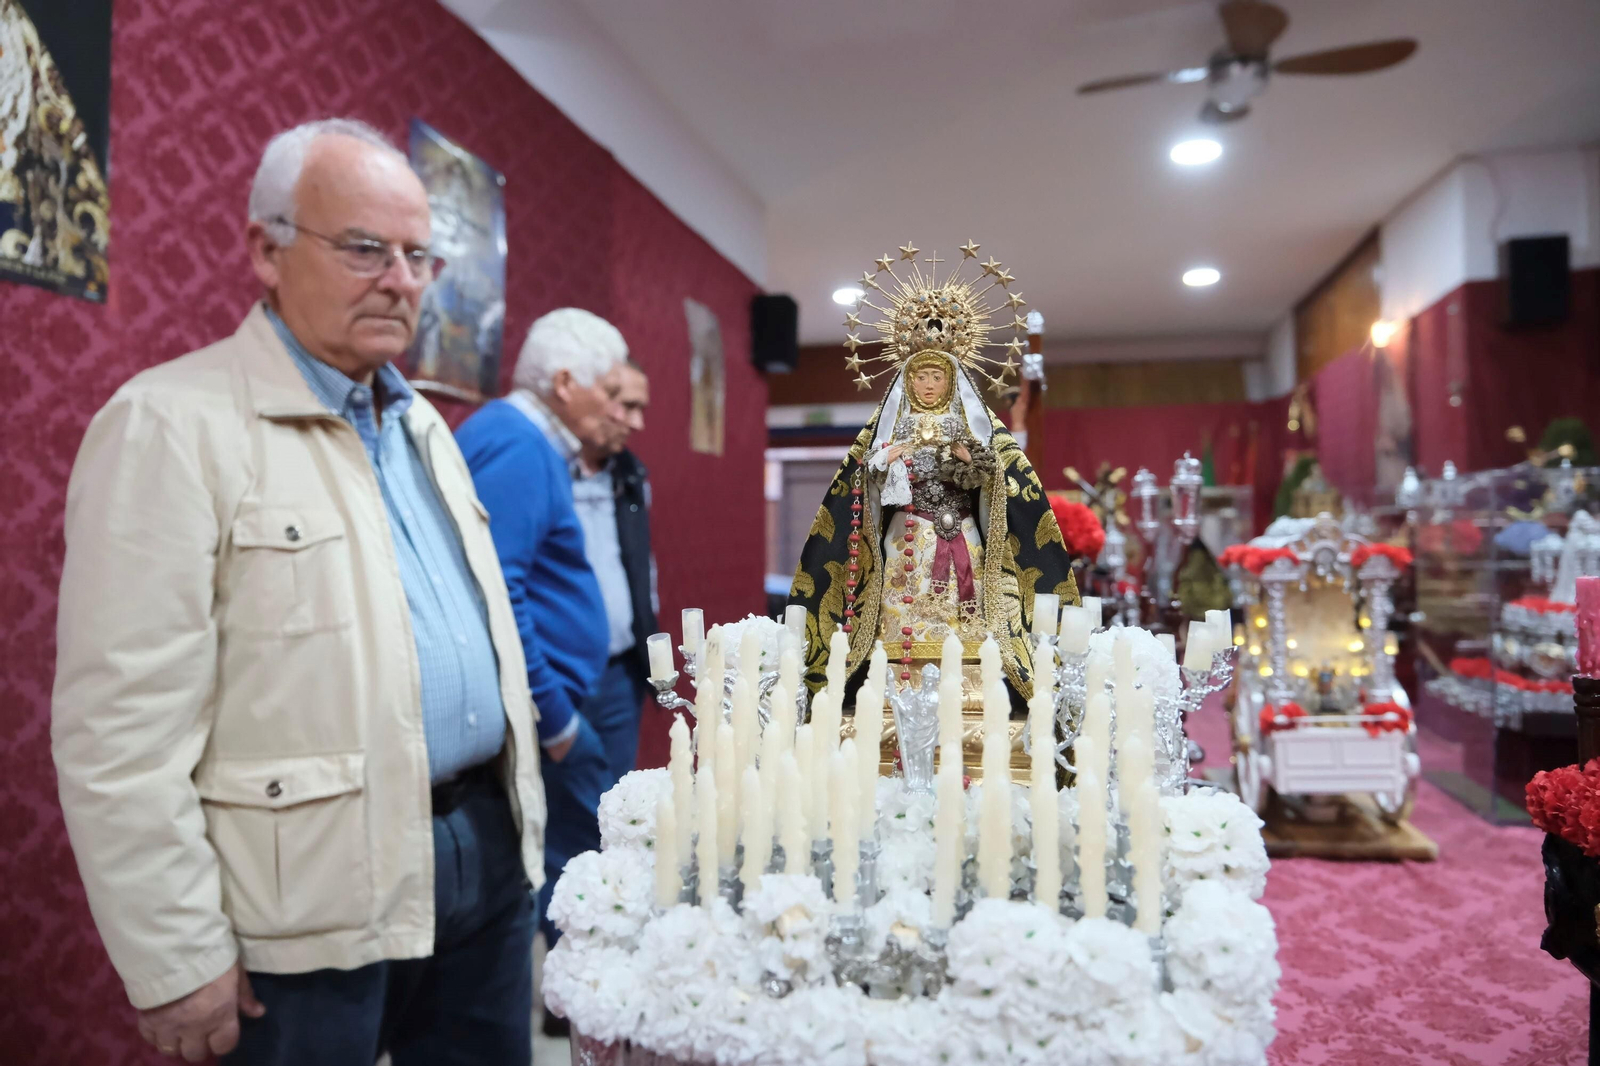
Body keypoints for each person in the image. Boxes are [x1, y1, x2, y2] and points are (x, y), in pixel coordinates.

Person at [51, 118, 545, 1066]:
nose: (401, 280)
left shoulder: (427, 430)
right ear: (265, 250)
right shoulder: (170, 424)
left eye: (418, 256)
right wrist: (174, 955)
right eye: (365, 248)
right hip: (301, 911)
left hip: (483, 867)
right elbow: (117, 732)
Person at [454, 308, 623, 965]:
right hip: (546, 715)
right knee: (571, 863)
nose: (614, 407)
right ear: (563, 382)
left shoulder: (528, 440)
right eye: (607, 391)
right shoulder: (520, 443)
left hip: (551, 706)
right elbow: (498, 593)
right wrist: (556, 722)